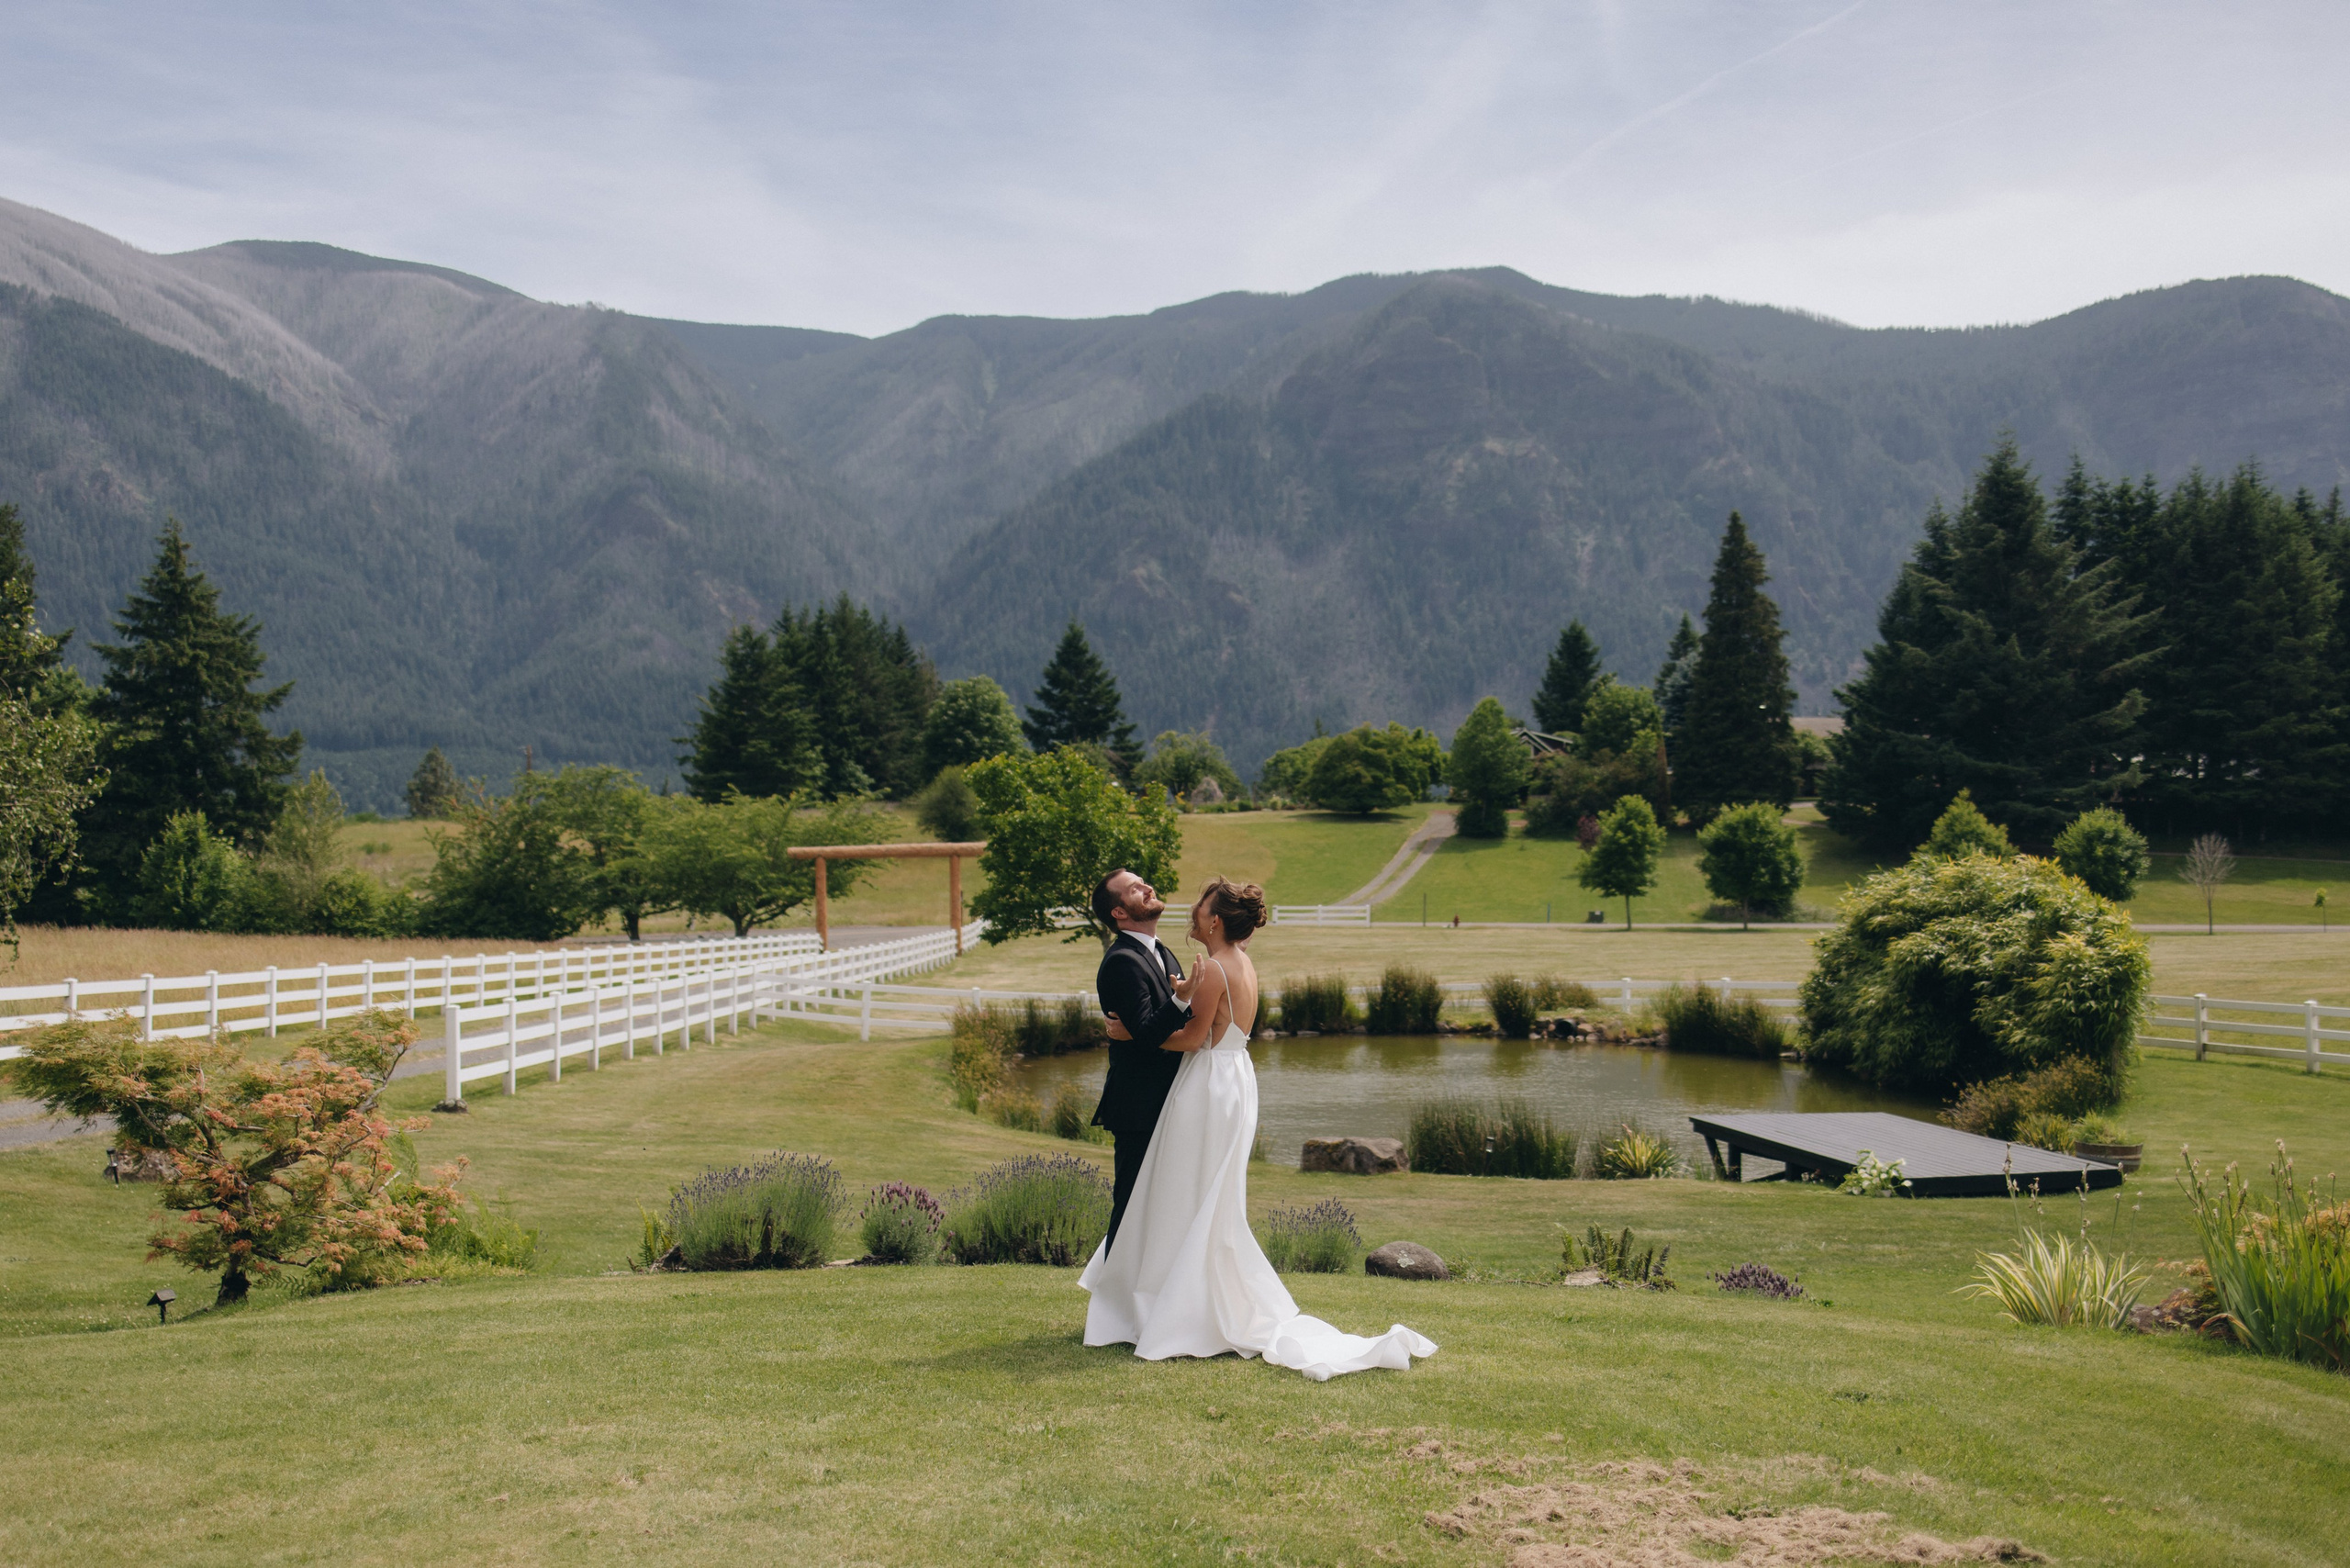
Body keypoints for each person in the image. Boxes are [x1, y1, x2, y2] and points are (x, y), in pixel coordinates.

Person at [1080, 876, 1437, 1381]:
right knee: (1203, 1197)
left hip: (1208, 1084)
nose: (1191, 911)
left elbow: (1190, 1038)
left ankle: (1174, 1306)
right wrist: (1160, 1015)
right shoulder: (1239, 961)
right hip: (1233, 1079)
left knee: (1192, 1195)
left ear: (1215, 921)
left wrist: (1129, 1034)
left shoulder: (1212, 968)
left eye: (1200, 907)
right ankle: (1163, 1299)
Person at [1087, 868, 1190, 1250]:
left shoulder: (1162, 952)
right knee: (1131, 1206)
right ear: (1119, 912)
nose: (1147, 887)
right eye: (1134, 888)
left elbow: (1160, 1026)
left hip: (1171, 1099)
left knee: (1166, 1207)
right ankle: (1114, 1286)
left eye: (1143, 882)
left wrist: (1148, 1024)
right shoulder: (1122, 961)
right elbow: (1150, 1035)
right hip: (1139, 1106)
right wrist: (1181, 1000)